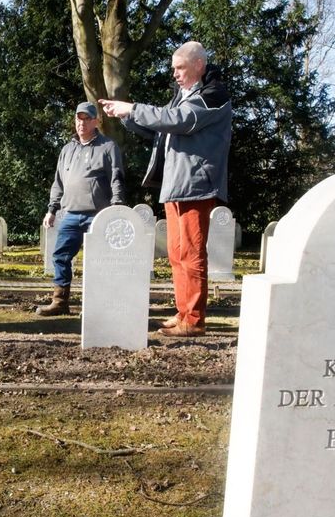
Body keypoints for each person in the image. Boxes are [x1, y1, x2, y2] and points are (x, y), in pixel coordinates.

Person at [99, 41, 232, 337]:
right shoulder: (184, 95)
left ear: (199, 65)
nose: (174, 73)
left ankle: (194, 319)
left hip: (196, 184)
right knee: (176, 253)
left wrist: (133, 107)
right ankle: (184, 311)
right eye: (173, 68)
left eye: (180, 67)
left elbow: (179, 121)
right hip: (176, 184)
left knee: (192, 253)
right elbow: (162, 128)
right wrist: (127, 116)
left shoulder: (212, 95)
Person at [37, 102, 125, 316]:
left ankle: (101, 305)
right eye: (78, 119)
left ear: (96, 121)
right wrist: (52, 209)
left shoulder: (107, 147)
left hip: (98, 215)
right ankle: (60, 302)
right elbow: (58, 182)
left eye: (87, 119)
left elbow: (117, 178)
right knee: (60, 256)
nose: (81, 123)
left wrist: (117, 208)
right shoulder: (67, 149)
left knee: (101, 261)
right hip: (71, 214)